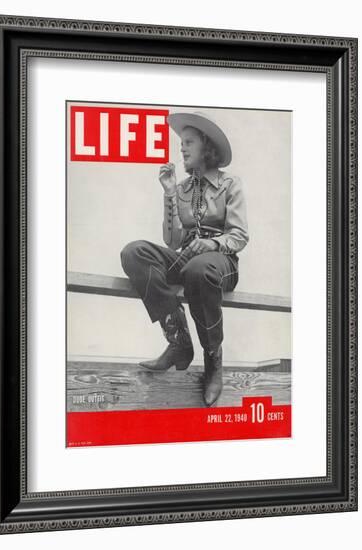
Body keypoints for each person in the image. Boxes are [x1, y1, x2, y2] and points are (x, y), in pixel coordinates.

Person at [120, 110, 249, 406]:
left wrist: (211, 243)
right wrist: (168, 194)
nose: (182, 148)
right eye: (182, 143)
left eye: (189, 142)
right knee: (134, 252)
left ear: (207, 148)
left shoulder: (231, 184)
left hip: (220, 262)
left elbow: (240, 237)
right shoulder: (182, 189)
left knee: (198, 269)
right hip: (186, 258)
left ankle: (213, 361)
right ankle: (179, 341)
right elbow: (173, 241)